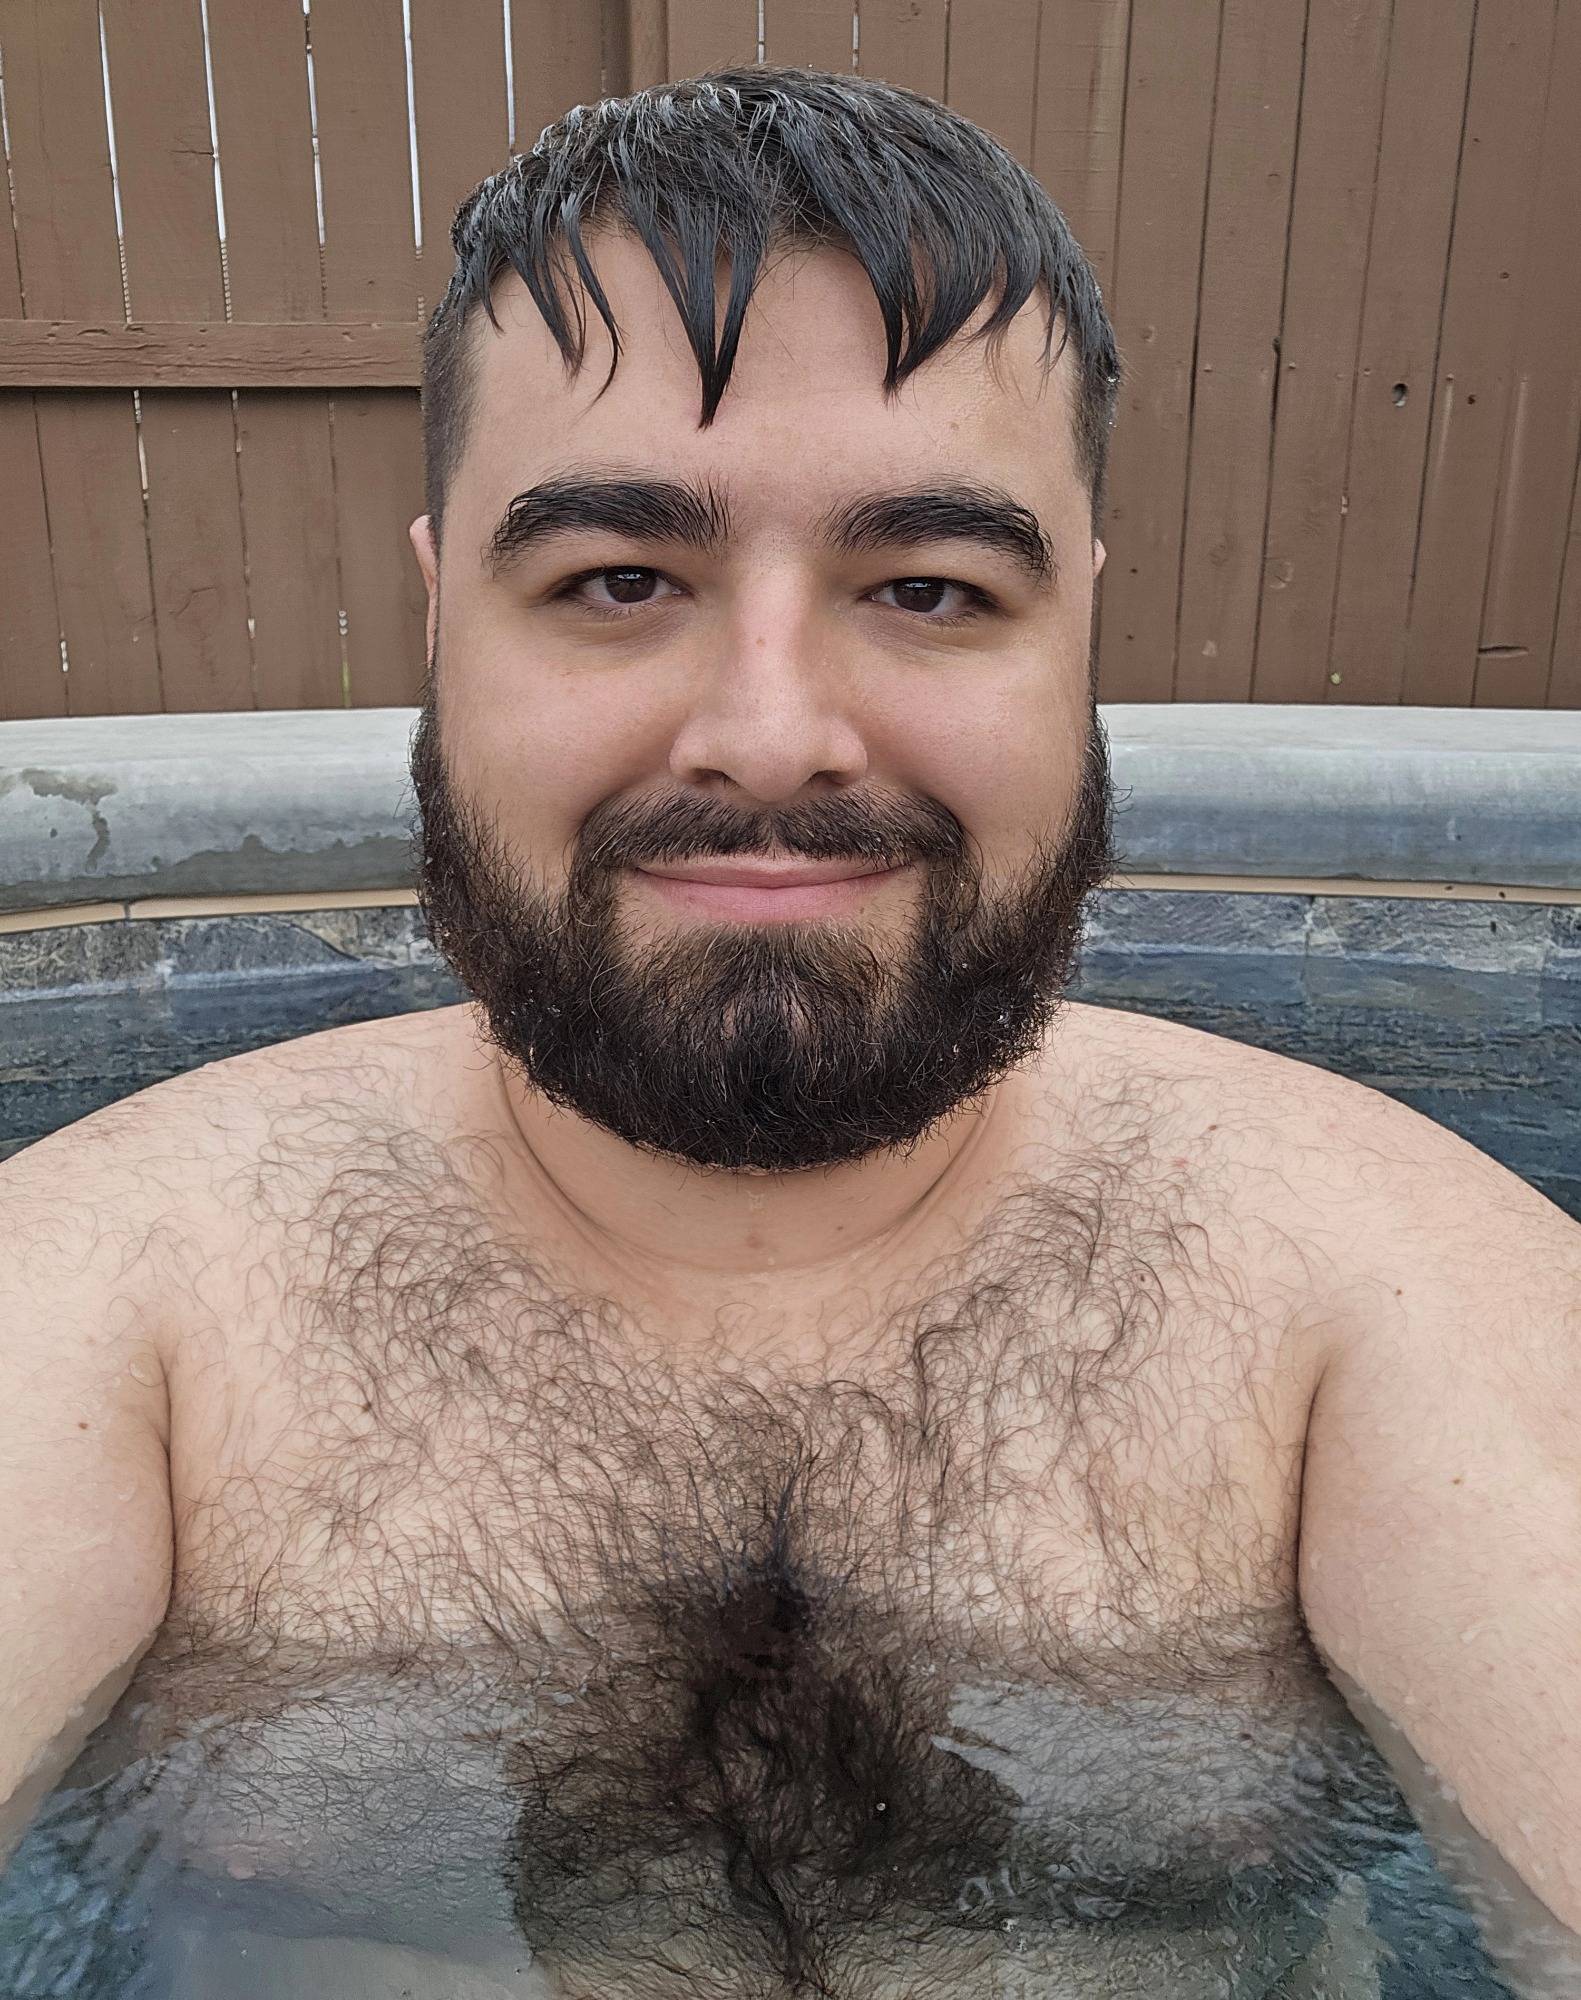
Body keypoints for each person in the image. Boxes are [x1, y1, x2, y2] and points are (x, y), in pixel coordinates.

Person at [1, 67, 1577, 2000]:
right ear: (440, 616)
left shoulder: (1393, 1288)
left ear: (1081, 625)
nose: (766, 733)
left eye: (926, 586)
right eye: (616, 581)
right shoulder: (105, 1297)